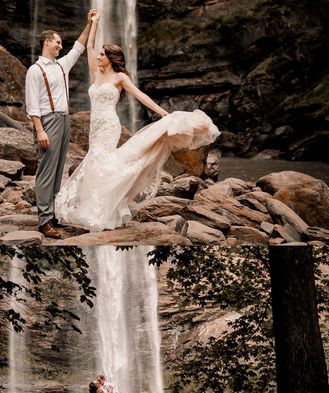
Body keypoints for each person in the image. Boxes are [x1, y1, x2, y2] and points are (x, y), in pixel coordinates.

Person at [55, 11, 220, 232]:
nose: (98, 57)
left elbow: (141, 96)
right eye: (100, 54)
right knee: (96, 164)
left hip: (109, 125)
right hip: (95, 126)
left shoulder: (120, 78)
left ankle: (100, 210)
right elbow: (90, 45)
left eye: (103, 55)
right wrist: (93, 23)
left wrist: (162, 113)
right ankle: (99, 207)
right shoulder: (96, 73)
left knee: (100, 162)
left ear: (111, 58)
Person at [25, 12, 95, 239]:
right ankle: (44, 222)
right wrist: (40, 130)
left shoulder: (62, 65)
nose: (60, 46)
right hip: (48, 121)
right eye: (57, 42)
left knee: (57, 172)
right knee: (46, 172)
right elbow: (32, 105)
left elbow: (79, 47)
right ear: (47, 42)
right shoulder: (35, 70)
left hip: (65, 120)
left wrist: (88, 23)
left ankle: (52, 215)